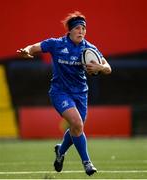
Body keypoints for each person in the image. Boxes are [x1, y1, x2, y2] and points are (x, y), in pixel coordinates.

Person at [17, 11, 112, 176]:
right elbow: (34, 47)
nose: (81, 31)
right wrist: (27, 51)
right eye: (77, 28)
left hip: (81, 94)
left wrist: (100, 68)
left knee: (76, 128)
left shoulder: (89, 48)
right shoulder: (56, 44)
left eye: (84, 28)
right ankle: (87, 162)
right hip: (60, 92)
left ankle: (60, 151)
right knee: (77, 124)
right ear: (69, 31)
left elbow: (108, 68)